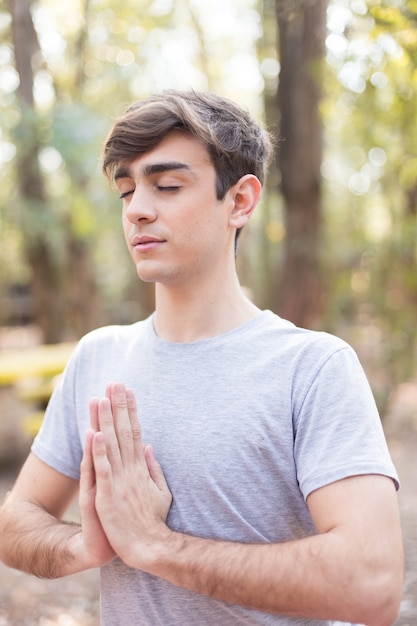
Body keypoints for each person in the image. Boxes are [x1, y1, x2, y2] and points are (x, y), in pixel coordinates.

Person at [0, 90, 403, 626]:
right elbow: (17, 522)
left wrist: (156, 547)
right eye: (126, 190)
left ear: (239, 202)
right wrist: (87, 547)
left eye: (166, 185)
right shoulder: (98, 357)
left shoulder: (314, 368)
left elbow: (371, 583)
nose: (138, 209)